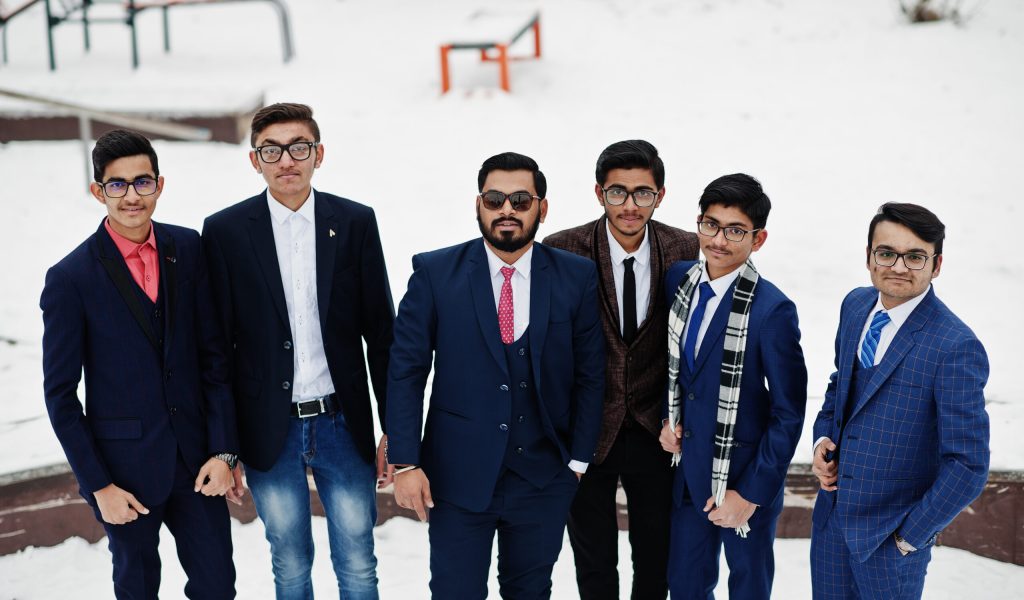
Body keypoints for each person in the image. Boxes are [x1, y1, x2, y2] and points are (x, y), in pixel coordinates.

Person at [386, 152, 606, 598]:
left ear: (542, 209)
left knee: (530, 592)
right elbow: (406, 372)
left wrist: (577, 462)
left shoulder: (575, 276)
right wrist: (406, 462)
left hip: (544, 477)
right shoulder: (434, 273)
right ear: (478, 205)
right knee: (455, 591)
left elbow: (591, 373)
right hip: (456, 477)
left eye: (521, 199)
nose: (507, 209)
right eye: (495, 198)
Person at [201, 102, 395, 599]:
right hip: (268, 428)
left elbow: (381, 331)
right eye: (272, 150)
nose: (286, 159)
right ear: (255, 160)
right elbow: (217, 348)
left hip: (341, 421)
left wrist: (396, 429)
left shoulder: (354, 222)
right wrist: (225, 444)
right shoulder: (224, 232)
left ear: (318, 154)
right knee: (288, 561)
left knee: (357, 561)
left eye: (298, 147)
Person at [40, 129, 240, 599]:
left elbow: (214, 357)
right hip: (123, 475)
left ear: (159, 184)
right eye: (117, 184)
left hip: (198, 464)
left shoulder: (188, 248)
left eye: (142, 182)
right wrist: (99, 486)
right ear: (98, 191)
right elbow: (61, 396)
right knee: (137, 588)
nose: (132, 195)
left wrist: (224, 451)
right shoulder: (71, 279)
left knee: (217, 585)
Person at [809, 203, 990, 600]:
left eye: (915, 256)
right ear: (870, 257)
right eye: (886, 253)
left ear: (936, 264)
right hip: (831, 525)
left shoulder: (955, 346)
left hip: (891, 543)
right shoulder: (855, 306)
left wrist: (910, 537)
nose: (898, 266)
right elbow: (840, 386)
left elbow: (969, 464)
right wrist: (823, 441)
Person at [543, 139, 699, 599]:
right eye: (617, 193)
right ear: (599, 193)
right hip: (588, 430)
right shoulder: (563, 249)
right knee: (593, 563)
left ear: (660, 195)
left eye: (642, 193)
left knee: (656, 559)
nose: (630, 206)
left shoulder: (687, 251)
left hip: (658, 429)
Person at [660, 173, 806, 599]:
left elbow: (787, 413)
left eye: (736, 230)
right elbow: (675, 372)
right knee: (685, 585)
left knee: (748, 588)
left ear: (757, 239)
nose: (719, 240)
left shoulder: (772, 310)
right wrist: (666, 421)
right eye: (711, 224)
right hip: (688, 474)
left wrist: (751, 493)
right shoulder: (679, 281)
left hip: (743, 479)